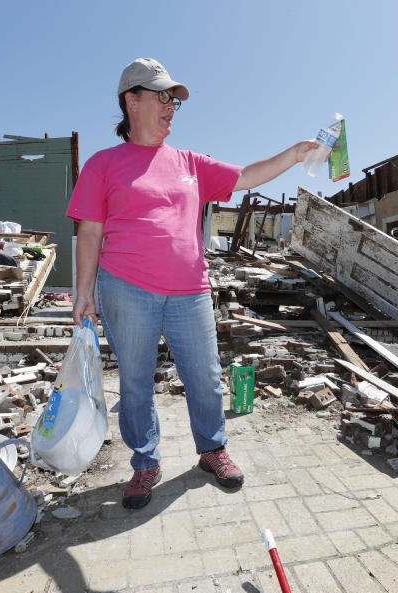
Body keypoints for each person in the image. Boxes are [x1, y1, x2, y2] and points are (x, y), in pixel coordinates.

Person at [68, 58, 320, 509]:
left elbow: (244, 177)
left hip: (190, 291)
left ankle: (212, 449)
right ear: (133, 100)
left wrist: (295, 153)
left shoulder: (188, 161)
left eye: (174, 101)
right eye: (163, 97)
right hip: (126, 288)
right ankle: (145, 463)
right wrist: (83, 292)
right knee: (136, 382)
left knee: (204, 377)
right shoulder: (103, 164)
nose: (171, 107)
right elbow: (90, 231)